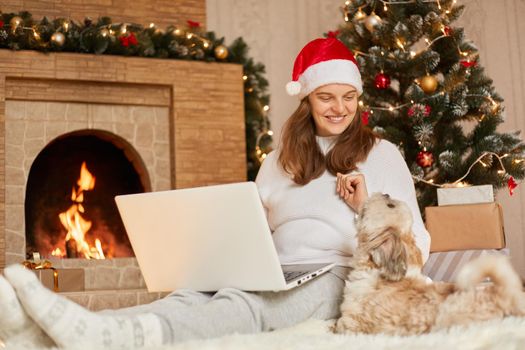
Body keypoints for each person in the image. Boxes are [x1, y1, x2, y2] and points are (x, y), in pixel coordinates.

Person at [0, 37, 430, 349]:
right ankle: (68, 330)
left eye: (349, 97)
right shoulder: (279, 160)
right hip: (275, 266)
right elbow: (251, 223)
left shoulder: (381, 154)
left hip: (336, 273)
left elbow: (419, 249)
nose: (339, 108)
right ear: (307, 101)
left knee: (248, 307)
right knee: (196, 293)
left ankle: (122, 338)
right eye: (327, 97)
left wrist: (366, 207)